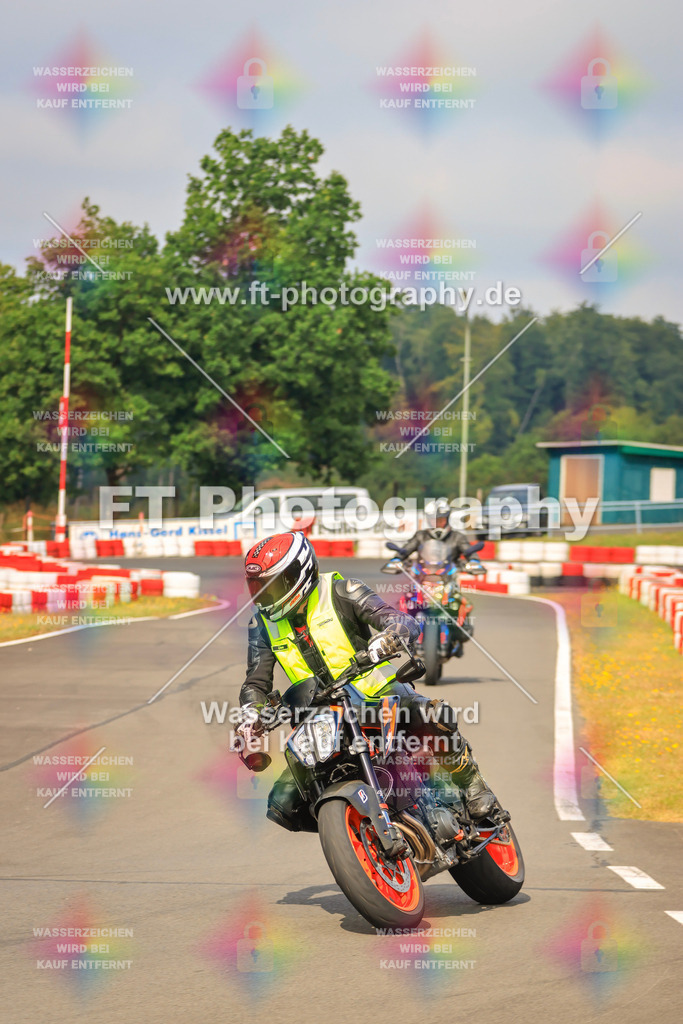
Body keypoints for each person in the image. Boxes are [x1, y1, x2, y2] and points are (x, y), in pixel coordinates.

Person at [237, 531, 502, 833]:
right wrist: (250, 713)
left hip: (378, 695)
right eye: (257, 588)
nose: (264, 596)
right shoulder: (262, 624)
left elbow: (398, 619)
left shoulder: (341, 590)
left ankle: (473, 785)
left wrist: (391, 636)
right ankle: (352, 829)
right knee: (283, 804)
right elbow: (255, 683)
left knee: (433, 716)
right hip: (321, 716)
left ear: (300, 572)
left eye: (272, 586)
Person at [398, 497, 470, 562]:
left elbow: (468, 551)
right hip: (424, 573)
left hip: (449, 573)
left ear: (447, 519)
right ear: (428, 520)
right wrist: (397, 558)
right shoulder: (420, 536)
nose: (437, 523)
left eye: (441, 520)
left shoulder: (457, 537)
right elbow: (408, 548)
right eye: (433, 520)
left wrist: (474, 561)